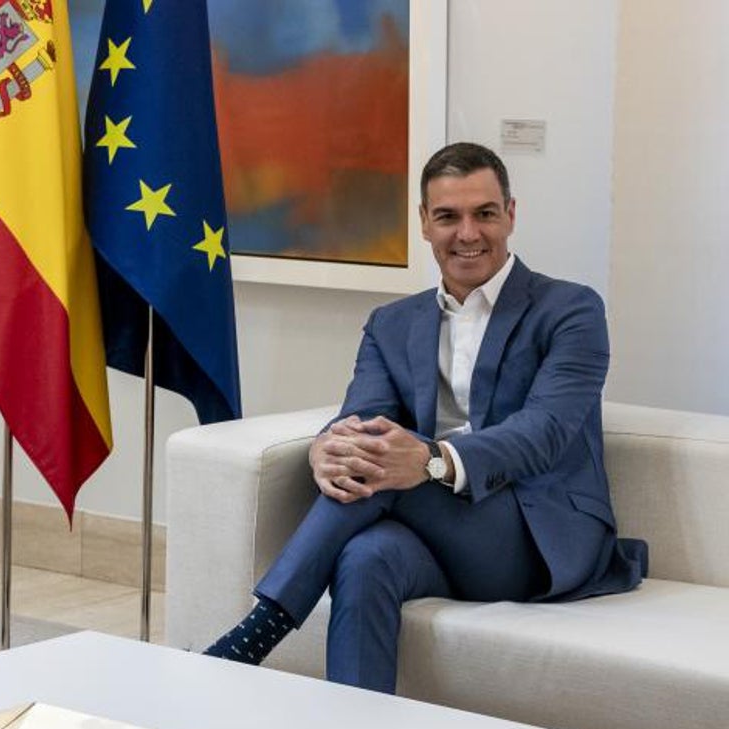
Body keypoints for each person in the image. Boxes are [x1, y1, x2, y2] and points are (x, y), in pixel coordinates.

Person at [205, 142, 647, 694]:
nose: (468, 233)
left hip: (533, 535)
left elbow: (545, 432)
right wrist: (327, 447)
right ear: (423, 223)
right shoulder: (391, 323)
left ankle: (256, 632)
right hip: (436, 536)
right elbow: (360, 418)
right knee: (365, 558)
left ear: (511, 214)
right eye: (448, 217)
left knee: (394, 454)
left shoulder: (570, 310)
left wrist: (433, 461)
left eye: (484, 213)